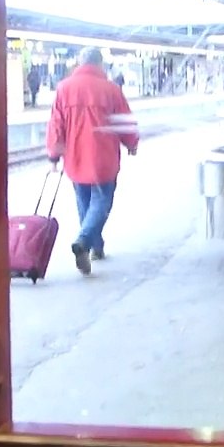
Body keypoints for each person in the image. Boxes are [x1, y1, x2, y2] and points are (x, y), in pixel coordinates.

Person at [46, 46, 139, 275]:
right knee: (101, 203)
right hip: (103, 157)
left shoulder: (64, 89)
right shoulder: (111, 89)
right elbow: (124, 121)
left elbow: (56, 125)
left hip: (75, 157)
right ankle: (84, 241)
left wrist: (54, 155)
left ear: (79, 63)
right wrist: (131, 143)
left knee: (84, 203)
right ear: (99, 64)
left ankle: (95, 248)